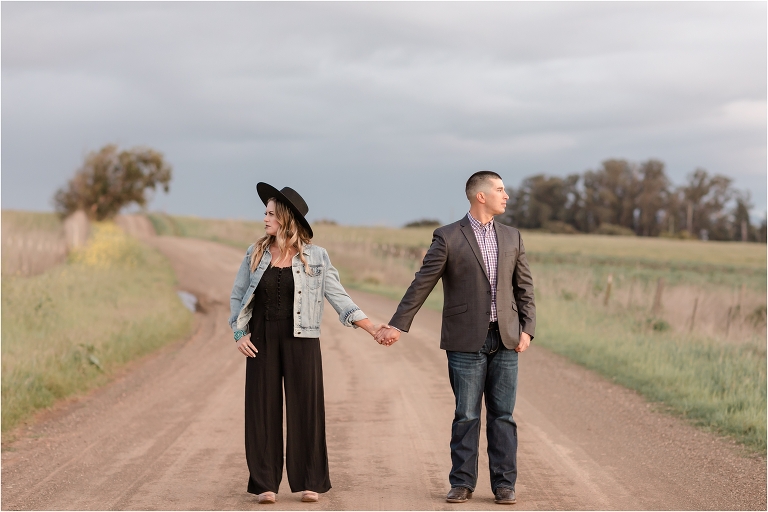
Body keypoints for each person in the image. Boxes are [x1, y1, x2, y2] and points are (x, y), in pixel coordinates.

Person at [375, 171, 536, 505]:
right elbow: (422, 283)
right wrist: (398, 324)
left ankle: (504, 485)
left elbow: (524, 287)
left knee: (503, 415)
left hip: (506, 338)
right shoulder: (448, 237)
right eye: (500, 190)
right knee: (466, 414)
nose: (506, 196)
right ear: (480, 195)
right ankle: (462, 482)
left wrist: (528, 328)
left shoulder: (512, 237)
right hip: (465, 341)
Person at [230, 183, 385, 505]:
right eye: (265, 213)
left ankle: (309, 481)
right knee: (262, 410)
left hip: (303, 340)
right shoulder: (255, 252)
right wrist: (238, 333)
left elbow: (338, 297)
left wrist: (371, 328)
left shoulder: (316, 256)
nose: (265, 218)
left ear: (286, 218)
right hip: (260, 340)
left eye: (271, 213)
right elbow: (238, 295)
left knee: (306, 409)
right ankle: (265, 484)